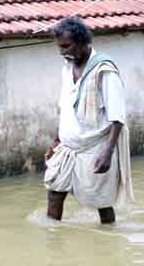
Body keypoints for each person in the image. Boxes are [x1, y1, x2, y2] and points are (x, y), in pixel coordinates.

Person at [44, 16, 134, 223]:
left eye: (67, 46)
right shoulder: (67, 68)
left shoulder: (104, 71)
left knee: (102, 202)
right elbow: (66, 108)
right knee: (54, 192)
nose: (62, 52)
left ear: (83, 42)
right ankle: (52, 243)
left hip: (95, 147)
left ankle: (108, 240)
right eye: (59, 47)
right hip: (68, 148)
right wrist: (57, 141)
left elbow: (117, 117)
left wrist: (107, 152)